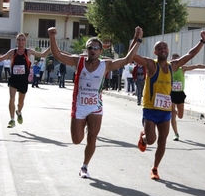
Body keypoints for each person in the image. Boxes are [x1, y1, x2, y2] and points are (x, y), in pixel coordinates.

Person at [48, 26, 143, 179]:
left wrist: (137, 39)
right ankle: (83, 129)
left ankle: (85, 166)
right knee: (77, 140)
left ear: (100, 51)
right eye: (90, 47)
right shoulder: (77, 61)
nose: (93, 50)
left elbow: (127, 59)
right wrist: (52, 37)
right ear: (87, 50)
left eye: (96, 48)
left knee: (92, 138)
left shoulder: (106, 65)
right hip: (79, 106)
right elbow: (57, 55)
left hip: (95, 107)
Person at [133, 30, 205, 180]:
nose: (163, 50)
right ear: (155, 51)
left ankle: (155, 168)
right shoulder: (151, 65)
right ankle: (144, 138)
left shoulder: (173, 66)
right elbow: (132, 56)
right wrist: (137, 40)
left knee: (162, 141)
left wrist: (202, 41)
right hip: (150, 109)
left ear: (168, 50)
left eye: (165, 47)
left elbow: (190, 55)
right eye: (159, 48)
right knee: (152, 140)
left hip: (165, 111)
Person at [0, 33, 51, 128]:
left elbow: (42, 54)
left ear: (25, 41)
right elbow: (1, 58)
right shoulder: (12, 52)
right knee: (11, 98)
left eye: (22, 40)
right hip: (13, 79)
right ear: (16, 41)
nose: (20, 41)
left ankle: (19, 112)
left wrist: (51, 46)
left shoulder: (28, 52)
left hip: (23, 80)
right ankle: (12, 120)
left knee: (20, 102)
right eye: (19, 40)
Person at [170, 53, 205, 141]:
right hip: (171, 93)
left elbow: (195, 66)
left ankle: (175, 113)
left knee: (180, 116)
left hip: (180, 94)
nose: (175, 63)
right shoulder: (168, 69)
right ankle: (176, 133)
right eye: (173, 60)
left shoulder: (182, 69)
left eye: (177, 60)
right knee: (173, 114)